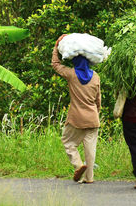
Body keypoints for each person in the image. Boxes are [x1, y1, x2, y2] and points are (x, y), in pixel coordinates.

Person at [52, 34, 101, 183]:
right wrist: (96, 112)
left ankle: (78, 165)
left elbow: (56, 65)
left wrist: (56, 47)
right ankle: (89, 178)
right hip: (93, 118)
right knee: (90, 149)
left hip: (76, 118)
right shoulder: (96, 77)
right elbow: (98, 100)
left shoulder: (72, 75)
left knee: (68, 142)